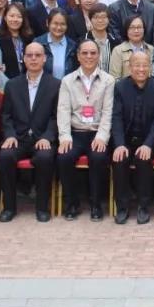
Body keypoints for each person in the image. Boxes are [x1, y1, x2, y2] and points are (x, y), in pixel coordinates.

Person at [0, 43, 59, 222]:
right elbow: (6, 115)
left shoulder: (55, 84)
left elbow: (56, 116)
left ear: (44, 59)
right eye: (29, 55)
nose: (33, 59)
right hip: (18, 138)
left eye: (37, 55)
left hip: (42, 138)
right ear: (23, 59)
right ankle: (9, 207)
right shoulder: (12, 85)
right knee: (5, 156)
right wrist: (10, 135)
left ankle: (42, 208)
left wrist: (47, 137)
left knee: (45, 158)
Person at [57, 39, 114, 220]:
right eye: (85, 53)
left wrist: (102, 137)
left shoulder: (108, 81)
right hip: (75, 133)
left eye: (93, 53)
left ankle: (96, 204)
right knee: (64, 157)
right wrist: (65, 137)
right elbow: (63, 111)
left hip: (97, 133)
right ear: (78, 56)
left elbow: (108, 112)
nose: (89, 56)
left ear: (99, 56)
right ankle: (72, 203)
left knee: (98, 157)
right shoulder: (67, 81)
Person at [110, 50, 154, 225]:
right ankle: (122, 207)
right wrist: (119, 144)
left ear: (150, 67)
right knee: (120, 158)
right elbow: (116, 118)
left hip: (150, 140)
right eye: (137, 65)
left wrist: (149, 144)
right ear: (130, 67)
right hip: (126, 140)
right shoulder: (120, 87)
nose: (141, 69)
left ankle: (143, 206)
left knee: (143, 159)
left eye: (144, 65)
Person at [0, 3, 33, 88]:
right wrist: (11, 89)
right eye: (11, 16)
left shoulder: (29, 39)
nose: (15, 19)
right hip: (7, 88)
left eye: (19, 16)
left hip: (29, 87)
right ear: (5, 17)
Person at [109, 15, 154, 80]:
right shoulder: (118, 51)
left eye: (139, 27)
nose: (136, 31)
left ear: (144, 29)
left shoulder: (151, 49)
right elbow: (114, 78)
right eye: (132, 27)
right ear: (126, 30)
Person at [34, 9, 76, 80]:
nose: (59, 27)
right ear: (47, 23)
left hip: (66, 86)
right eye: (55, 23)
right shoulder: (38, 43)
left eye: (62, 24)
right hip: (44, 85)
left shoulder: (72, 46)